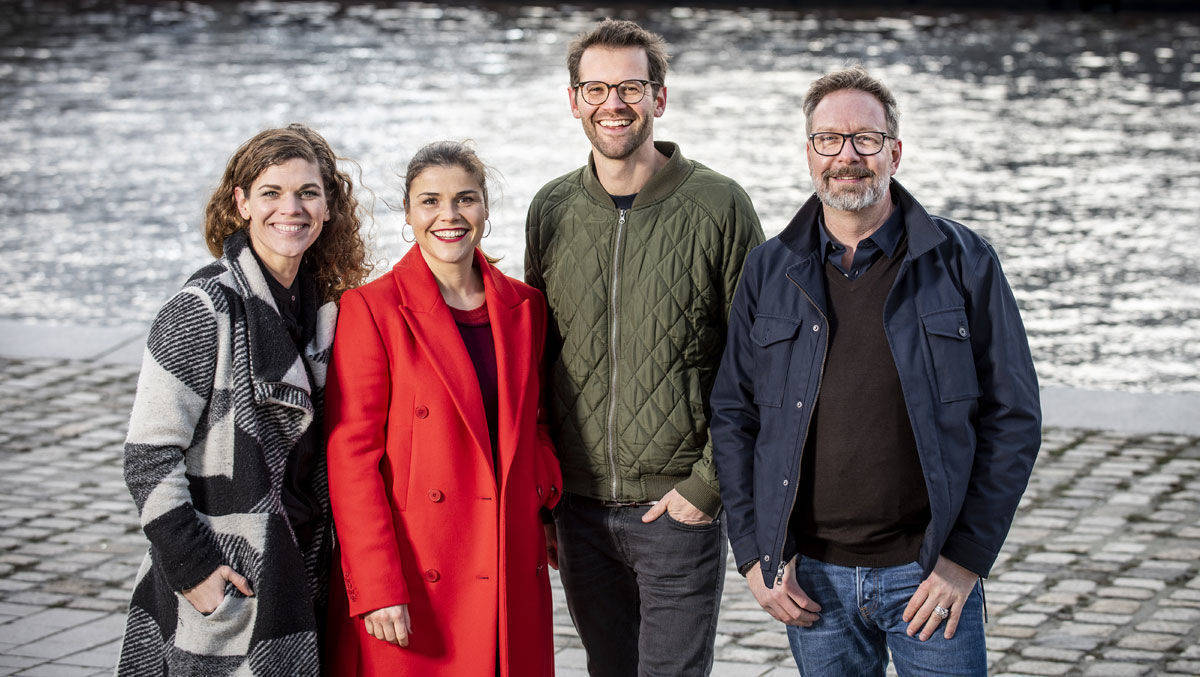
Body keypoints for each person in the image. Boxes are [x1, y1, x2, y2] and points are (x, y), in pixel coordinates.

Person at [710, 65, 1042, 675]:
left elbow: (1013, 417)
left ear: (895, 150)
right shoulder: (768, 269)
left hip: (928, 576)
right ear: (809, 153)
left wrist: (964, 560)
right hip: (812, 579)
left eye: (865, 138)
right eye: (829, 139)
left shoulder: (963, 261)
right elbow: (735, 414)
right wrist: (756, 557)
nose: (848, 156)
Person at [524, 18, 764, 676]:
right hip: (578, 511)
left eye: (630, 86)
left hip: (675, 509)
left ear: (660, 97)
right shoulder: (551, 208)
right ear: (573, 99)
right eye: (595, 88)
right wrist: (544, 492)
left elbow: (761, 360)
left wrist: (707, 486)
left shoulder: (720, 206)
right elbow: (536, 359)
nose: (613, 104)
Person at [117, 124, 370, 675]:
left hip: (305, 573)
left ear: (328, 207)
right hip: (229, 577)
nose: (292, 208)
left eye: (308, 192)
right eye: (272, 193)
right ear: (242, 203)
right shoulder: (200, 308)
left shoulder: (327, 313)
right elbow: (147, 457)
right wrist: (194, 571)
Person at [324, 141, 562, 676]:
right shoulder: (372, 309)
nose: (448, 216)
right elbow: (352, 458)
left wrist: (540, 497)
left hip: (507, 557)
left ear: (485, 210)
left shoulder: (526, 307)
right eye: (430, 202)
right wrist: (377, 586)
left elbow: (539, 423)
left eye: (465, 200)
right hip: (418, 570)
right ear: (407, 215)